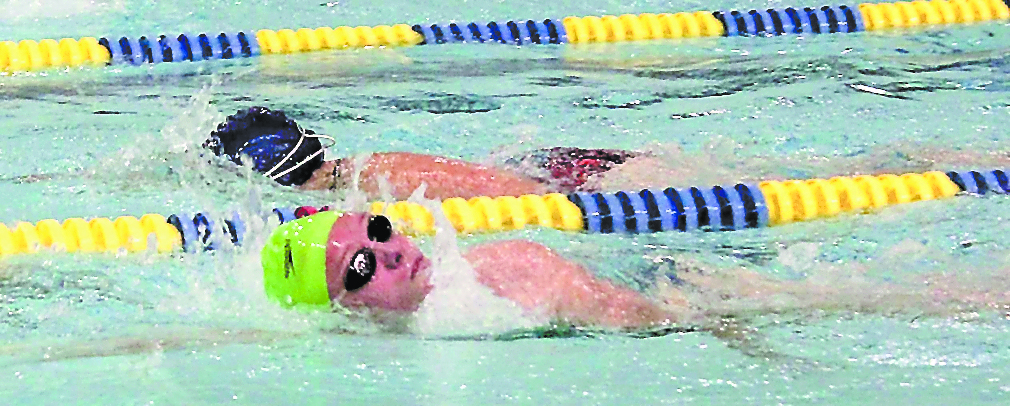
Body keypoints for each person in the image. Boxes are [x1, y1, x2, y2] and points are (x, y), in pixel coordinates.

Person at [203, 106, 639, 200]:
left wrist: (567, 204)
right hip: (549, 170)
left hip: (572, 180)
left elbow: (517, 192)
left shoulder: (370, 176)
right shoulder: (347, 178)